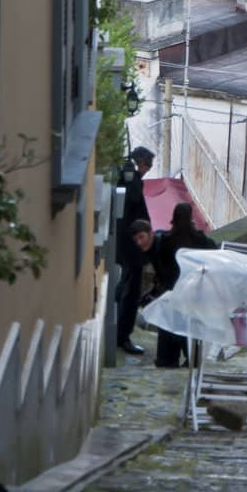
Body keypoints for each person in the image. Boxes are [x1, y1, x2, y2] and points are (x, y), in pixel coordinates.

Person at [148, 202, 217, 369]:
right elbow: (213, 255)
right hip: (192, 291)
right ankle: (193, 359)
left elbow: (158, 262)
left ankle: (167, 360)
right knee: (192, 327)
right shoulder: (200, 240)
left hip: (171, 290)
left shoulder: (165, 240)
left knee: (169, 326)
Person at [116, 147, 155, 355]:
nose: (148, 170)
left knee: (126, 286)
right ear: (142, 163)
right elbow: (134, 203)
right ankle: (123, 336)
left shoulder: (127, 177)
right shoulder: (131, 180)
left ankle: (120, 332)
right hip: (130, 243)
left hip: (126, 241)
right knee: (130, 290)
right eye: (148, 166)